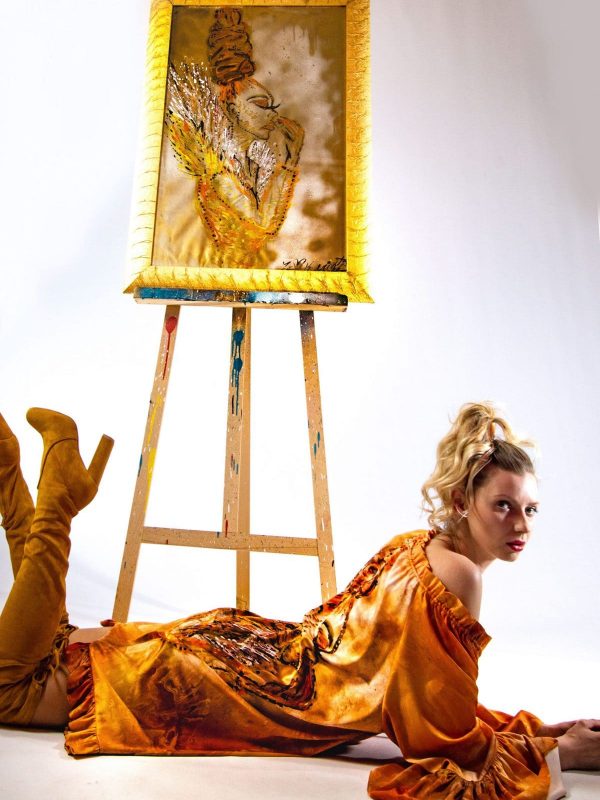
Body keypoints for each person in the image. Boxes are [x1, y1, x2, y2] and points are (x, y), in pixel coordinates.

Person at [1, 403, 599, 800]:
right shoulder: (459, 577)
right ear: (463, 501)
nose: (521, 524)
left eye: (530, 508)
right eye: (504, 506)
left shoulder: (417, 545)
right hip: (224, 675)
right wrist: (552, 753)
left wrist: (535, 733)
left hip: (236, 662)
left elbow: (423, 700)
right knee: (9, 683)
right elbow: (437, 739)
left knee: (35, 652)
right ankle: (52, 496)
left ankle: (17, 478)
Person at [165, 8, 304, 268]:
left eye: (272, 107)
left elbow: (271, 225)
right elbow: (263, 224)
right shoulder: (216, 169)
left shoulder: (256, 163)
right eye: (260, 105)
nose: (272, 115)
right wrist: (289, 162)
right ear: (231, 109)